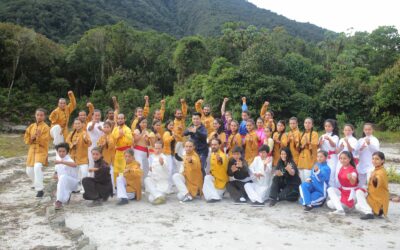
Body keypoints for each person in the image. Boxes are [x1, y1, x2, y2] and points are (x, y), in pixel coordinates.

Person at [24, 108, 50, 198]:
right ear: (35, 115)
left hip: (41, 150)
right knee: (28, 170)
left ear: (44, 116)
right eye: (38, 115)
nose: (39, 117)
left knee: (37, 167)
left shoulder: (46, 127)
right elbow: (26, 140)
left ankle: (40, 190)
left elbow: (46, 141)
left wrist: (38, 137)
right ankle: (36, 183)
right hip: (32, 150)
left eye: (41, 115)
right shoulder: (31, 126)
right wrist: (32, 138)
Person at [355, 151, 389, 220]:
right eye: (373, 159)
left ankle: (369, 213)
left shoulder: (381, 172)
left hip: (378, 203)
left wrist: (374, 179)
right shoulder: (376, 169)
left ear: (382, 161)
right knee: (357, 206)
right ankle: (370, 211)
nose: (374, 161)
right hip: (373, 198)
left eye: (377, 159)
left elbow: (377, 182)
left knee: (359, 192)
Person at [326, 151, 359, 216]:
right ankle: (340, 209)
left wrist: (351, 178)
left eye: (344, 158)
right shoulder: (342, 167)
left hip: (350, 194)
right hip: (343, 191)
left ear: (349, 159)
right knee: (329, 199)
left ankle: (342, 209)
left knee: (332, 203)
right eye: (341, 158)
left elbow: (353, 182)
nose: (342, 160)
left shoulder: (353, 170)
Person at [66, 119, 92, 189]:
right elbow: (67, 143)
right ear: (73, 125)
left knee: (84, 174)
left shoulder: (85, 133)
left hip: (83, 158)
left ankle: (85, 189)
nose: (77, 125)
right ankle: (74, 188)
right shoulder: (71, 134)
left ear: (82, 124)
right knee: (73, 175)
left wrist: (85, 139)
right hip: (73, 158)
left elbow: (89, 143)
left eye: (79, 123)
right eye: (76, 124)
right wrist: (72, 144)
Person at [53, 143, 79, 210]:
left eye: (63, 151)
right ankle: (61, 199)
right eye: (59, 151)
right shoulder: (58, 158)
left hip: (73, 183)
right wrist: (55, 174)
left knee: (63, 177)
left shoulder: (69, 159)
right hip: (63, 182)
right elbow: (56, 171)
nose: (61, 153)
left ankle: (59, 201)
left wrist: (62, 162)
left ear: (67, 152)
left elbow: (74, 165)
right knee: (61, 179)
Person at [356, 123, 380, 188]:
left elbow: (377, 152)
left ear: (372, 130)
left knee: (371, 182)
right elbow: (356, 153)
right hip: (362, 164)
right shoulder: (360, 140)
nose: (367, 131)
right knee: (360, 184)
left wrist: (369, 144)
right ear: (363, 130)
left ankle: (372, 196)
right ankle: (361, 195)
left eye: (369, 129)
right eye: (366, 129)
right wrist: (361, 148)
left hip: (371, 164)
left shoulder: (375, 140)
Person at [111, 113, 133, 185]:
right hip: (117, 152)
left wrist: (124, 134)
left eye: (121, 118)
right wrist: (118, 136)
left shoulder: (127, 129)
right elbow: (112, 140)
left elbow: (130, 141)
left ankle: (126, 185)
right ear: (117, 119)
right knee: (116, 170)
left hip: (125, 152)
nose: (120, 120)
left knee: (125, 169)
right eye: (119, 118)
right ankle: (116, 185)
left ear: (124, 119)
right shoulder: (115, 129)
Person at [319, 119, 339, 187]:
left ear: (333, 127)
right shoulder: (322, 136)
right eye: (326, 126)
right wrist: (320, 144)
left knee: (331, 173)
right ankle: (325, 191)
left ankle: (332, 190)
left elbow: (334, 145)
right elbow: (319, 148)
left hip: (332, 157)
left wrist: (329, 139)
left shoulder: (335, 136)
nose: (327, 128)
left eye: (329, 126)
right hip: (323, 157)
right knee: (323, 173)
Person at [297, 117, 319, 182]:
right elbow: (298, 146)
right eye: (306, 123)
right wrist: (301, 146)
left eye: (309, 123)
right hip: (301, 158)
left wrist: (308, 143)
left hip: (310, 159)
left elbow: (315, 146)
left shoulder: (314, 134)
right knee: (301, 179)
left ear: (312, 125)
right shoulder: (301, 134)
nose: (307, 124)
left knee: (308, 179)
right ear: (304, 124)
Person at [97, 121, 116, 189]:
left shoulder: (112, 136)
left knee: (111, 173)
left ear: (111, 128)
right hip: (103, 158)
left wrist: (106, 142)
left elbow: (111, 145)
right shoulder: (101, 137)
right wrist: (101, 145)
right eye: (104, 127)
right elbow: (98, 146)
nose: (106, 128)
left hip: (111, 158)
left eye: (107, 127)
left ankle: (112, 188)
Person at [163, 120, 179, 191]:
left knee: (173, 169)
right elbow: (166, 141)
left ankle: (170, 185)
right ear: (167, 126)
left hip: (171, 153)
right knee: (169, 170)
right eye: (170, 125)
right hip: (167, 154)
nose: (172, 126)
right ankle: (167, 188)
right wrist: (172, 136)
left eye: (172, 125)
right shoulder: (166, 132)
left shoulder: (172, 132)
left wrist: (174, 136)